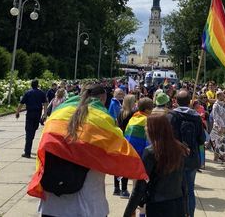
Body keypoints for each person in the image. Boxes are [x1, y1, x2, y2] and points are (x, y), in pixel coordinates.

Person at [34, 83, 148, 217]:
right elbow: (121, 153)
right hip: (87, 205)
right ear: (101, 99)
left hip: (51, 203)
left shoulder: (58, 114)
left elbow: (44, 147)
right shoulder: (102, 119)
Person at [123, 114, 187, 217]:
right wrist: (186, 208)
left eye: (147, 126)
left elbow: (140, 187)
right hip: (177, 204)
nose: (145, 129)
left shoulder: (151, 152)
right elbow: (183, 182)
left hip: (158, 206)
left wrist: (128, 212)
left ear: (154, 130)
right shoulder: (179, 149)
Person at [167, 89, 205, 217]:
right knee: (190, 190)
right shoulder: (196, 117)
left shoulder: (171, 116)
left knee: (175, 190)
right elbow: (202, 139)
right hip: (191, 158)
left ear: (175, 101)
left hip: (175, 159)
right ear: (189, 102)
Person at [15, 80, 48, 158]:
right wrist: (45, 114)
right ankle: (28, 147)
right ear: (37, 85)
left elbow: (21, 103)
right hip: (38, 114)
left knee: (29, 132)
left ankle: (27, 152)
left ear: (31, 85)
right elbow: (45, 103)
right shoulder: (41, 93)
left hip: (30, 114)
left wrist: (17, 112)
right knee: (33, 131)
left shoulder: (28, 93)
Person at [114, 94, 137, 198]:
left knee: (118, 165)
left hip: (119, 139)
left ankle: (116, 188)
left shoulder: (120, 113)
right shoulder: (133, 113)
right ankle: (124, 189)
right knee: (126, 166)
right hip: (128, 140)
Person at [209, 91, 225, 162]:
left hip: (224, 125)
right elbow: (216, 117)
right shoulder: (216, 105)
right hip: (219, 126)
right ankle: (216, 157)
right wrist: (219, 126)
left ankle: (222, 156)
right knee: (218, 142)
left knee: (223, 142)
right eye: (222, 95)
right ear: (219, 96)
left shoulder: (222, 105)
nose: (224, 96)